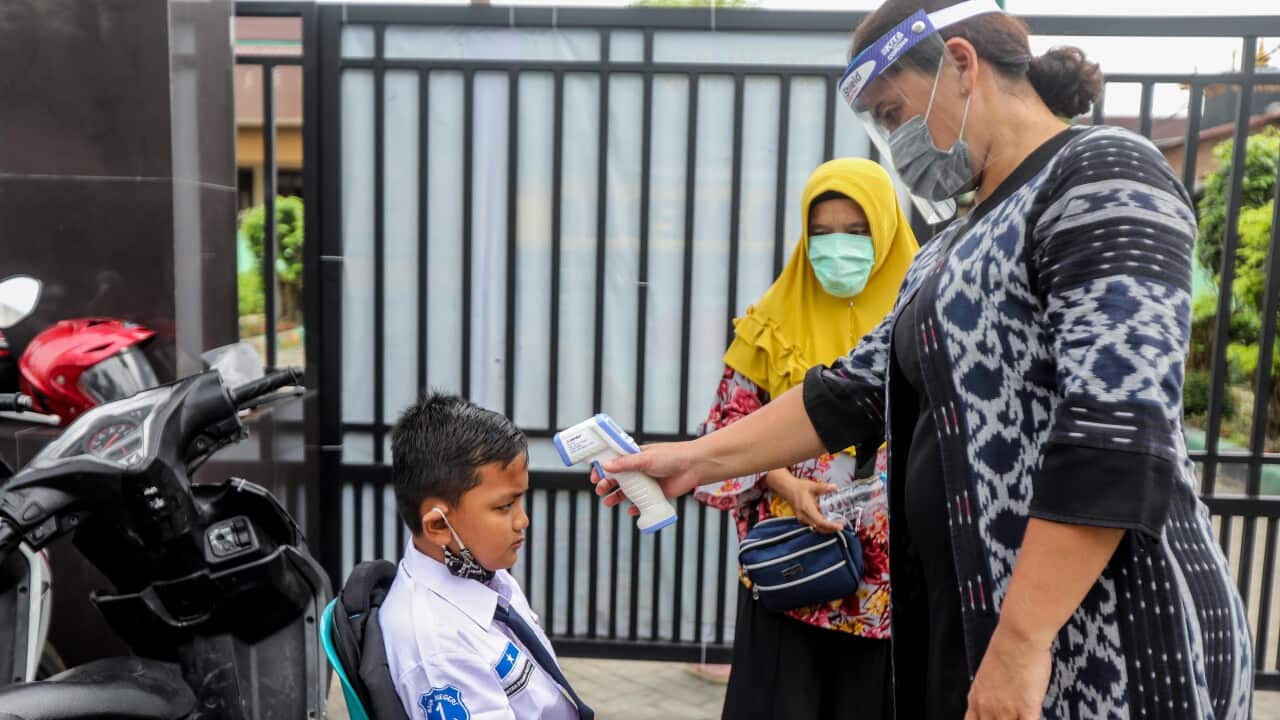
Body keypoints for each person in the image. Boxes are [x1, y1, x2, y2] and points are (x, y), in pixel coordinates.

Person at [593, 1, 1254, 717]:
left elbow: (1116, 433)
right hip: (971, 632)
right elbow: (847, 393)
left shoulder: (1100, 173)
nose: (894, 141)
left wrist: (1022, 644)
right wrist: (696, 460)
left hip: (1099, 648)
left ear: (962, 66)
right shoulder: (947, 245)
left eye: (893, 112)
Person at [693, 158, 916, 719]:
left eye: (855, 231)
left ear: (886, 231)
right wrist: (787, 483)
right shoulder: (771, 320)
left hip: (892, 588)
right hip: (796, 570)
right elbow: (728, 428)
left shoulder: (924, 315)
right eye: (821, 234)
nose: (836, 247)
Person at [380, 393, 594, 720]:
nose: (523, 520)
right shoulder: (439, 648)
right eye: (504, 506)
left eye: (520, 501)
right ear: (439, 525)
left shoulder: (481, 572)